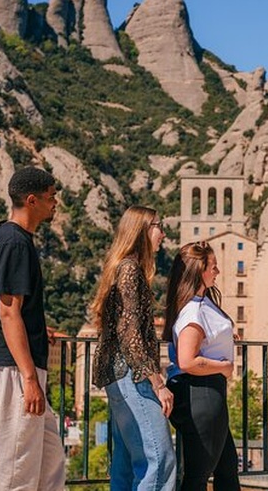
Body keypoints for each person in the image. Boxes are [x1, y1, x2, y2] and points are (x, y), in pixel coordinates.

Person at [0, 166, 64, 490]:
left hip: (16, 365)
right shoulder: (14, 243)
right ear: (32, 200)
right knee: (14, 467)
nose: (55, 203)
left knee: (49, 459)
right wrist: (29, 379)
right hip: (13, 369)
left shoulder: (12, 238)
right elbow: (8, 313)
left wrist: (39, 327)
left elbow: (17, 311)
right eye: (51, 197)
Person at [91, 206, 176, 490]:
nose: (162, 232)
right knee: (159, 461)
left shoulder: (122, 267)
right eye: (157, 225)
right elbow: (130, 334)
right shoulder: (130, 270)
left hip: (118, 376)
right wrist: (157, 382)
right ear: (141, 230)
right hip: (132, 376)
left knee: (125, 465)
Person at [163, 242, 240, 491]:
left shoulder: (199, 303)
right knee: (199, 474)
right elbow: (187, 361)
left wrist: (226, 337)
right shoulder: (193, 311)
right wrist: (223, 367)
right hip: (203, 391)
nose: (217, 271)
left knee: (226, 467)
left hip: (206, 392)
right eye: (213, 267)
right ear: (199, 271)